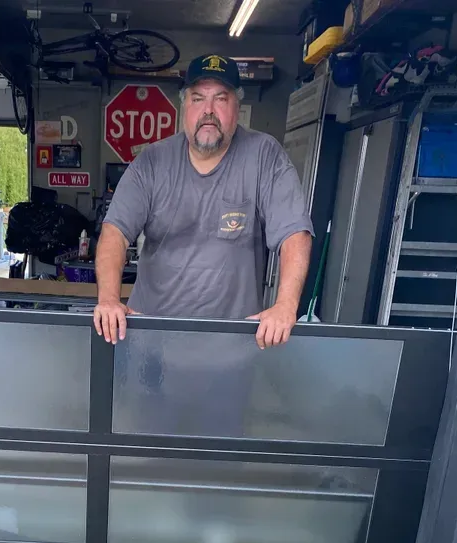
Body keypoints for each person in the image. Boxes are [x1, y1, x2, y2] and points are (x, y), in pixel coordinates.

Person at [94, 54, 314, 349]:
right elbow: (114, 233)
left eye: (221, 99)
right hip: (151, 345)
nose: (208, 111)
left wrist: (286, 306)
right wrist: (109, 300)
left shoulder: (264, 155)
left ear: (237, 106)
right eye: (198, 99)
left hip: (230, 348)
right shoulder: (152, 162)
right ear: (184, 105)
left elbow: (294, 233)